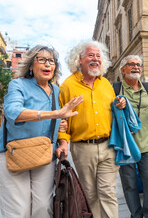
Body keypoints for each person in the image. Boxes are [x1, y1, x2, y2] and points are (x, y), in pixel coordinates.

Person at [0, 45, 83, 218]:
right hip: (12, 153)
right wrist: (55, 114)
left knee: (44, 208)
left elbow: (59, 120)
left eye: (52, 61)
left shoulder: (56, 90)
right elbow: (13, 112)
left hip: (44, 155)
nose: (48, 64)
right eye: (42, 60)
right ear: (31, 65)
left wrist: (62, 141)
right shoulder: (17, 84)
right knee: (19, 212)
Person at [56, 40, 125, 218]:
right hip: (82, 147)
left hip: (108, 146)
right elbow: (62, 119)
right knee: (90, 194)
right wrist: (63, 141)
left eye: (98, 56)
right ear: (79, 59)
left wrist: (121, 104)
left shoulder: (106, 85)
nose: (95, 59)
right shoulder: (67, 85)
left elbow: (113, 111)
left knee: (108, 192)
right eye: (90, 55)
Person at [116, 55, 148, 218]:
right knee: (129, 185)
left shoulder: (147, 88)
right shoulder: (115, 88)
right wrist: (117, 106)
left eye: (138, 64)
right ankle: (136, 214)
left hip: (146, 144)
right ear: (122, 70)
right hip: (125, 145)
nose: (135, 67)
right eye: (131, 64)